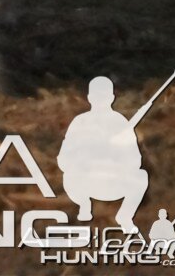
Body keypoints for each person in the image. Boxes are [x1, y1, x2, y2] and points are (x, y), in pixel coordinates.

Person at [57, 76, 151, 233]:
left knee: (141, 177)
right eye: (97, 96)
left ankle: (125, 216)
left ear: (111, 98)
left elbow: (135, 161)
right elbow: (63, 159)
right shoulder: (80, 123)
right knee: (69, 176)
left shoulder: (120, 123)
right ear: (89, 98)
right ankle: (84, 206)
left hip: (114, 183)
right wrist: (85, 161)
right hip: (84, 183)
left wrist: (116, 160)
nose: (100, 100)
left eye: (104, 96)